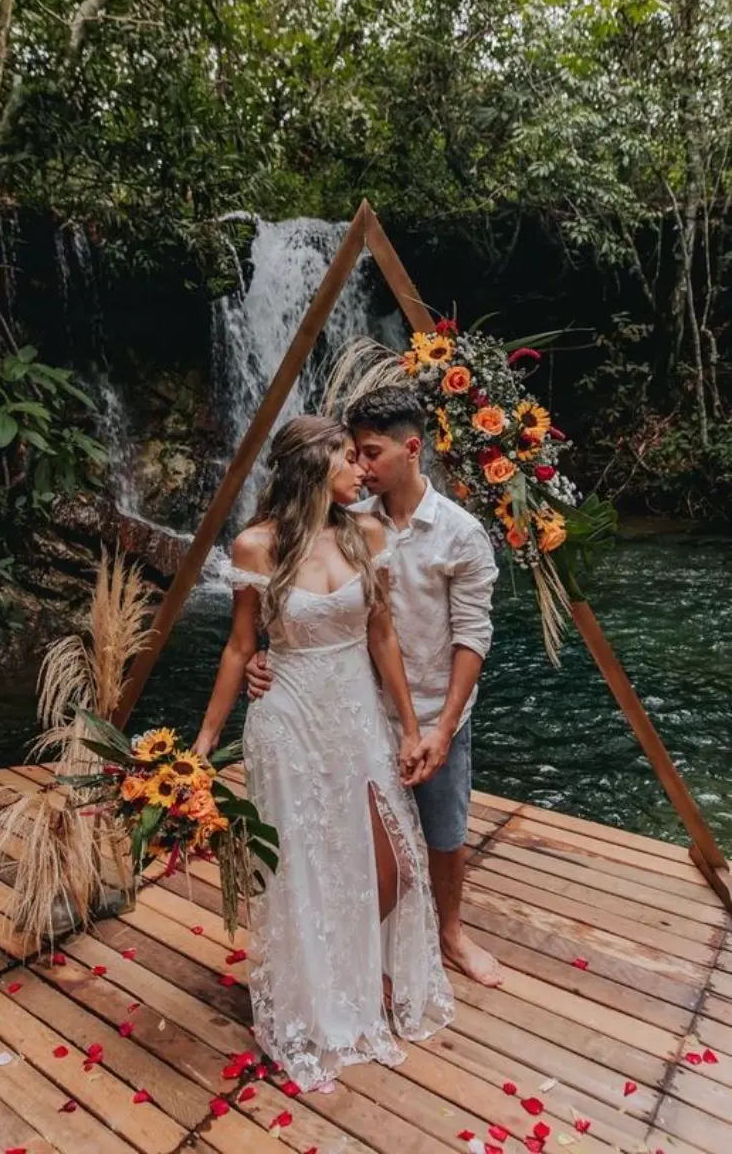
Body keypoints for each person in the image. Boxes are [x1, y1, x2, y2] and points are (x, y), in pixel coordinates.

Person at [192, 415, 454, 1091]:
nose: (362, 469)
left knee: (391, 860)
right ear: (313, 466)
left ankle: (349, 970)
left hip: (357, 715)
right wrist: (202, 742)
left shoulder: (367, 534)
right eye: (348, 457)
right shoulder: (256, 548)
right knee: (303, 864)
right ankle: (317, 1000)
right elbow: (241, 648)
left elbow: (384, 636)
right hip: (288, 716)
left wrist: (404, 724)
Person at [248, 386, 503, 988]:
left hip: (438, 707)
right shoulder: (350, 523)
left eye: (369, 454)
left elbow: (473, 637)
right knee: (353, 839)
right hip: (355, 708)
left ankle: (450, 934)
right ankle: (359, 948)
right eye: (352, 457)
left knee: (444, 830)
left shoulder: (461, 534)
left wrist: (440, 729)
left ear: (411, 449)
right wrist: (268, 654)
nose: (359, 468)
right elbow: (299, 595)